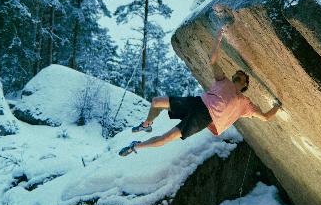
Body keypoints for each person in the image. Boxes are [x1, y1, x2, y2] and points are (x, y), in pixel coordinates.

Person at [118, 24, 281, 157]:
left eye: (241, 76)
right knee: (156, 102)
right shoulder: (223, 81)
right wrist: (218, 38)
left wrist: (277, 107)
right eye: (236, 74)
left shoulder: (245, 104)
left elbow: (266, 117)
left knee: (167, 137)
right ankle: (147, 124)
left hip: (204, 118)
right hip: (196, 102)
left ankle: (136, 146)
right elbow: (213, 61)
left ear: (245, 84)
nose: (237, 75)